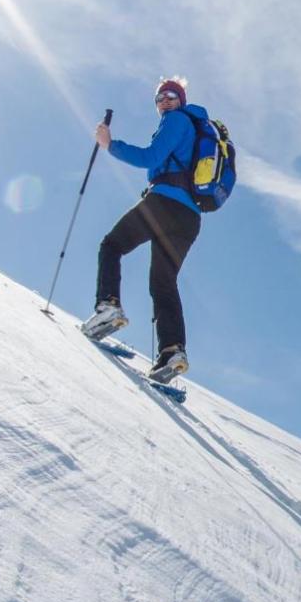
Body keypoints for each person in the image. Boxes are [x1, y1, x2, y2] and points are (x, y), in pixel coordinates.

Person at [81, 76, 203, 384]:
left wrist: (110, 145)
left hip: (165, 204)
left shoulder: (177, 121)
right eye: (160, 98)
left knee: (112, 245)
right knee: (163, 282)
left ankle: (108, 306)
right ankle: (172, 352)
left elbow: (150, 157)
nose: (164, 101)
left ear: (181, 101)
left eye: (171, 96)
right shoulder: (191, 130)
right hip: (189, 218)